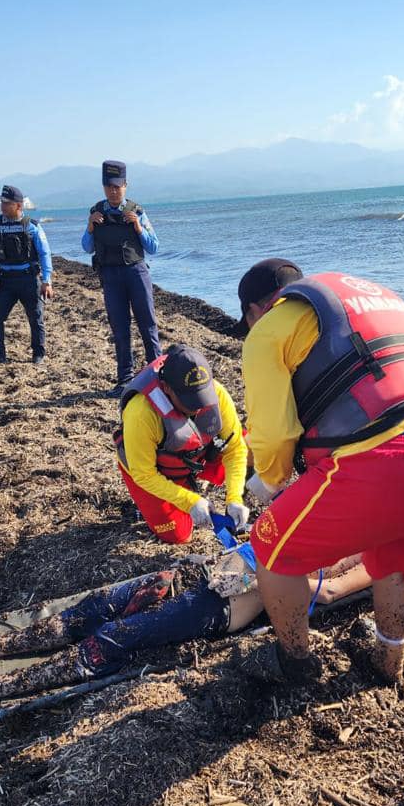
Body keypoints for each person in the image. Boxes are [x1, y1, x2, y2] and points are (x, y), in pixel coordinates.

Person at [235, 258, 404, 685]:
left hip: (388, 460)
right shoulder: (370, 299)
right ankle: (389, 667)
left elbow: (274, 435)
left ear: (255, 312)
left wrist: (268, 483)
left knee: (270, 549)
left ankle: (295, 664)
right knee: (392, 556)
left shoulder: (268, 329)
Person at [0, 552, 372, 712]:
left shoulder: (373, 554)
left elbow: (327, 592)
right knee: (93, 609)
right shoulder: (335, 502)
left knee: (114, 637)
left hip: (224, 604)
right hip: (211, 573)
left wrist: (258, 579)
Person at [114, 344, 249, 544]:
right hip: (154, 470)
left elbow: (235, 449)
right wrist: (189, 501)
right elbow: (143, 474)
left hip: (194, 456)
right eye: (189, 401)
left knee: (252, 445)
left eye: (202, 399)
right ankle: (162, 501)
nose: (198, 408)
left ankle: (193, 488)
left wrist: (235, 498)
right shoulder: (141, 413)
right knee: (179, 535)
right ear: (167, 388)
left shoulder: (217, 393)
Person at [81, 160, 161, 396]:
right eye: (109, 187)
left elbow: (154, 247)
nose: (114, 191)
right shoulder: (97, 212)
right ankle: (124, 380)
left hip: (136, 272)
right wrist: (90, 226)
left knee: (148, 324)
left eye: (118, 186)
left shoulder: (137, 211)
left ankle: (156, 374)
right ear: (104, 187)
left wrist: (138, 227)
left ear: (125, 185)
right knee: (120, 328)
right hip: (110, 276)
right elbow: (86, 248)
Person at [0, 184, 53, 366]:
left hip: (29, 279)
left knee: (35, 317)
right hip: (6, 281)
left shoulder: (32, 226)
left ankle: (38, 353)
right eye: (1, 202)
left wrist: (47, 281)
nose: (3, 206)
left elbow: (45, 253)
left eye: (7, 203)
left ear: (19, 206)